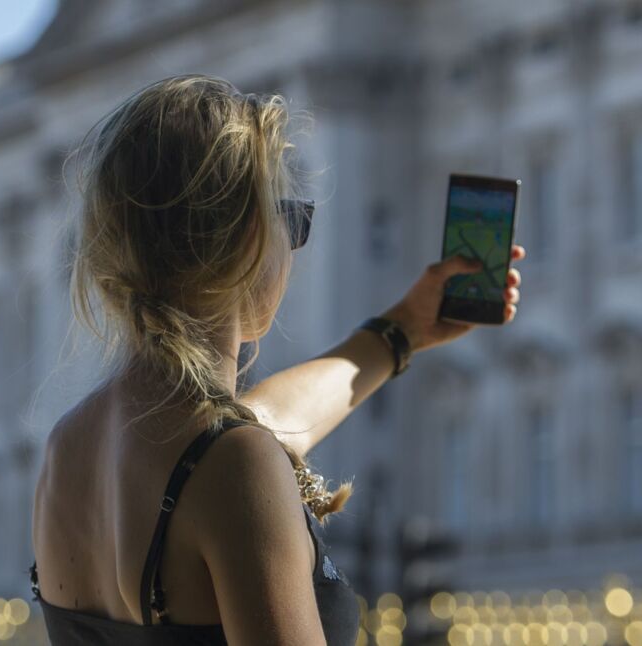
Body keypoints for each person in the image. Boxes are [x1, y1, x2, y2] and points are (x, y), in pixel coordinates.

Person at [29, 74, 525, 646]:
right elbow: (239, 447)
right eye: (291, 220)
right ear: (248, 240)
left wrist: (405, 329)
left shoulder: (68, 450)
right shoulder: (231, 463)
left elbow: (266, 420)